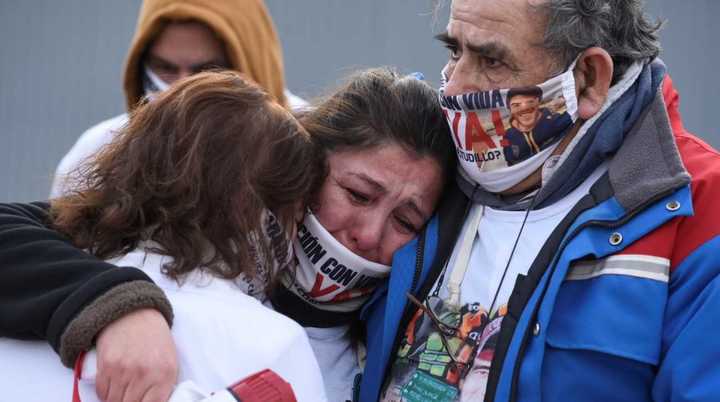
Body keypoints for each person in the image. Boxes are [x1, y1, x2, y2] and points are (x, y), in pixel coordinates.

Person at [5, 1, 720, 402]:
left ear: (589, 78)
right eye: (456, 49)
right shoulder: (451, 152)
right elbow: (42, 228)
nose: (460, 85)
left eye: (492, 59)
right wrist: (115, 305)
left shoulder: (693, 210)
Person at [0, 67, 454, 402]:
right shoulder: (93, 252)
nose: (370, 235)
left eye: (405, 222)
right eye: (357, 194)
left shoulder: (402, 349)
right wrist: (117, 307)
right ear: (300, 177)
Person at [51, 0, 306, 198]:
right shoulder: (95, 159)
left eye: (206, 71)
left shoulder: (313, 152)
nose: (181, 91)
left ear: (251, 64)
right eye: (165, 68)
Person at [502, 86, 572, 165]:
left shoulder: (555, 120)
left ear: (538, 102)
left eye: (530, 102)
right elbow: (510, 161)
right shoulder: (507, 135)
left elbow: (574, 113)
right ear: (510, 109)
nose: (524, 108)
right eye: (516, 105)